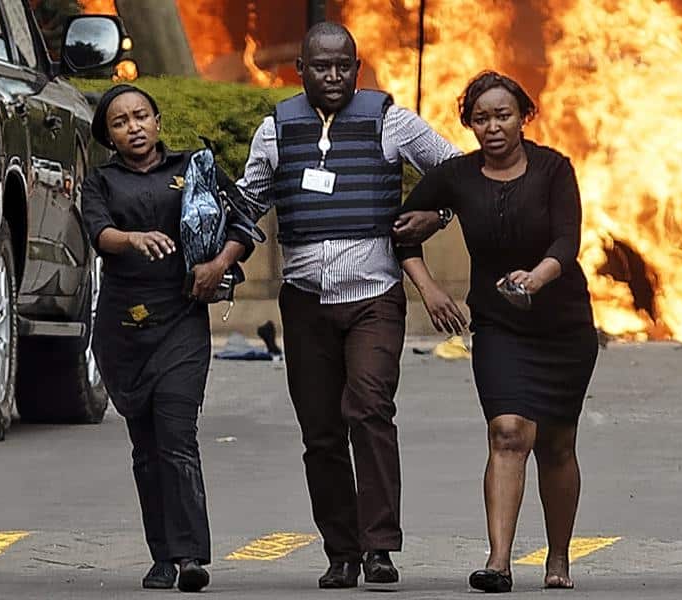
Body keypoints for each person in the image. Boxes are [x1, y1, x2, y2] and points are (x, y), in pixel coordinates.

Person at [235, 21, 460, 589]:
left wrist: (437, 217)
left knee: (368, 410)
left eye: (342, 66)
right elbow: (248, 201)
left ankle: (381, 546)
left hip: (374, 300)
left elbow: (459, 175)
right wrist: (207, 244)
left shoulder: (390, 121)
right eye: (320, 66)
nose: (332, 76)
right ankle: (342, 551)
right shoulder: (276, 130)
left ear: (357, 69)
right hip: (306, 303)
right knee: (320, 432)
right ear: (300, 71)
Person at [396, 71, 599, 593]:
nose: (492, 127)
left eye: (502, 115)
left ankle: (557, 558)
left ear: (524, 116)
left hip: (562, 325)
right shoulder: (457, 176)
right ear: (468, 123)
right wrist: (431, 291)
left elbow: (566, 239)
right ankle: (499, 562)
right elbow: (400, 232)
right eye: (480, 118)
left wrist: (536, 278)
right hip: (499, 324)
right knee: (508, 431)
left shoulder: (554, 169)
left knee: (555, 443)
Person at [82, 84, 254, 593]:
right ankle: (161, 555)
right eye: (120, 122)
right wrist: (131, 238)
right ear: (109, 136)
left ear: (157, 121)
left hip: (182, 318)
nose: (133, 126)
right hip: (124, 328)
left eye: (141, 116)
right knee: (146, 447)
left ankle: (190, 557)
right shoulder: (100, 183)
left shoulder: (194, 167)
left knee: (177, 438)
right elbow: (99, 234)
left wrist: (217, 265)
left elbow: (243, 224)